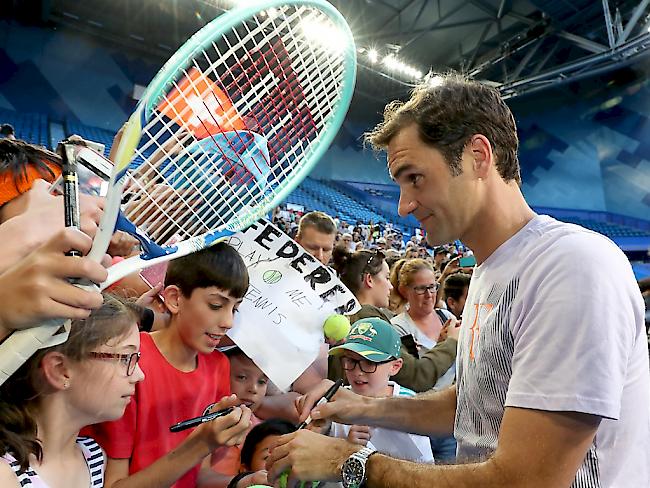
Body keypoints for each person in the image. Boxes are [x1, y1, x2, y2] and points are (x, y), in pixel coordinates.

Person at [266, 73, 650, 487]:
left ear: (478, 156)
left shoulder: (571, 267)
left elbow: (525, 481)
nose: (403, 206)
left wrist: (350, 461)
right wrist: (360, 406)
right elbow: (475, 404)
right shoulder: (491, 271)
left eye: (415, 178)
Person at [86, 243, 253, 488]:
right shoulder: (130, 359)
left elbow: (199, 475)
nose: (227, 321)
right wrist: (200, 444)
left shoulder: (218, 367)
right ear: (175, 299)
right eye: (216, 306)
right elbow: (112, 484)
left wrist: (241, 483)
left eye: (235, 309)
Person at [0, 295, 144, 487]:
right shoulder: (6, 477)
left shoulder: (93, 457)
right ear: (60, 370)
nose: (139, 375)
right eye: (126, 358)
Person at [330, 248, 459, 393]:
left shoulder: (349, 314)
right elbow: (417, 377)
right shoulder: (368, 321)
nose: (391, 286)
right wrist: (452, 342)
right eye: (386, 277)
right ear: (369, 280)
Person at [327, 317, 433, 464]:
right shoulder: (335, 401)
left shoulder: (409, 403)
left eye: (370, 362)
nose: (358, 371)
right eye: (351, 360)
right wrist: (346, 449)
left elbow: (424, 464)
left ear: (395, 366)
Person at [390, 259, 457, 461]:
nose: (429, 295)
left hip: (449, 416)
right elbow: (417, 376)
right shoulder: (398, 328)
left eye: (432, 287)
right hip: (419, 416)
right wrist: (447, 343)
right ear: (405, 290)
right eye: (420, 289)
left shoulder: (445, 315)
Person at [207, 347, 269, 486]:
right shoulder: (204, 424)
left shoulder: (263, 432)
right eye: (241, 377)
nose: (253, 388)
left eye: (262, 382)